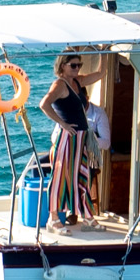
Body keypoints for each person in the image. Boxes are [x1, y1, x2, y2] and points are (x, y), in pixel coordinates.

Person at [41, 52, 98, 226]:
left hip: (80, 137)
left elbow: (101, 74)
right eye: (73, 65)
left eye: (79, 65)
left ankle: (87, 216)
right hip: (67, 137)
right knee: (60, 176)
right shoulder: (60, 84)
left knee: (82, 175)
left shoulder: (77, 82)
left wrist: (104, 51)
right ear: (62, 66)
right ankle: (54, 217)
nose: (77, 68)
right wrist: (62, 124)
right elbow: (44, 104)